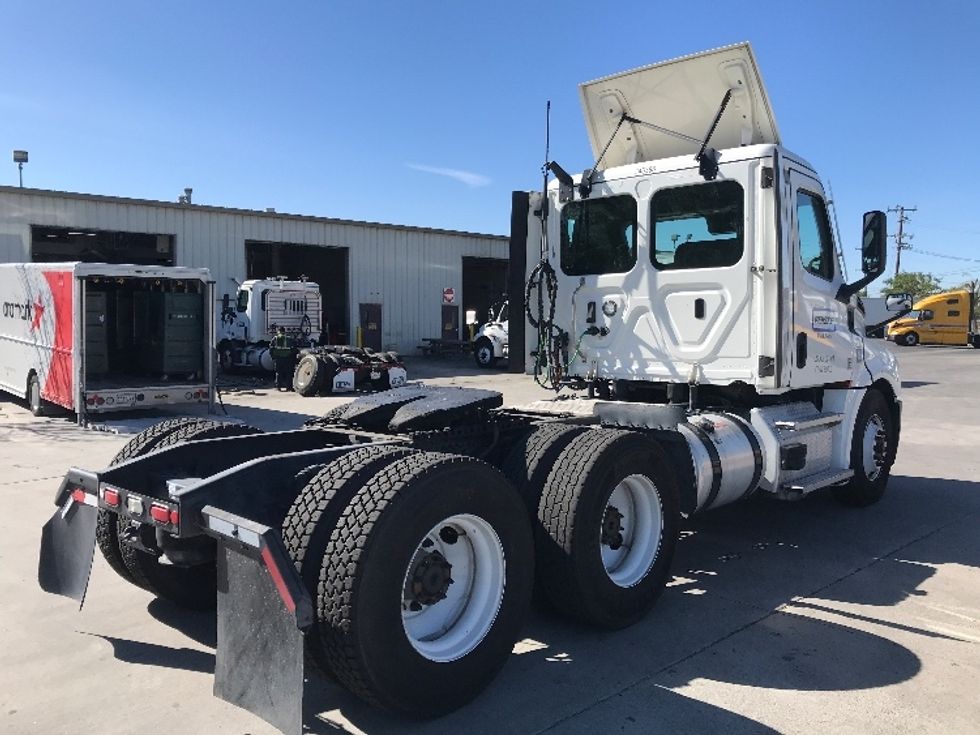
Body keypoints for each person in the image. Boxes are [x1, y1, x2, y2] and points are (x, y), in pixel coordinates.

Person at [270, 325, 296, 391]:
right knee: (289, 373)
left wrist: (273, 357)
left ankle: (278, 387)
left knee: (279, 373)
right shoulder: (289, 339)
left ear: (278, 331)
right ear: (284, 331)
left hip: (278, 358)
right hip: (288, 358)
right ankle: (289, 387)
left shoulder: (275, 338)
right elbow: (294, 349)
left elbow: (271, 349)